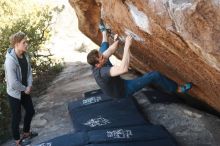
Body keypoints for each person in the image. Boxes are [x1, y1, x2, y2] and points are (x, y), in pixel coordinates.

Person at [87, 20, 192, 99]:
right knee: (154, 75)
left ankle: (104, 32)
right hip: (123, 91)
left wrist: (116, 41)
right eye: (101, 57)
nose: (103, 56)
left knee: (104, 49)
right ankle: (176, 89)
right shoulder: (103, 72)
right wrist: (127, 46)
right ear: (97, 65)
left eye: (101, 55)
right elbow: (124, 69)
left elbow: (110, 50)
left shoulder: (99, 61)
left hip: (116, 82)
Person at [4, 32, 38, 146]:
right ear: (17, 44)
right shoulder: (10, 61)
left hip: (25, 89)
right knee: (16, 117)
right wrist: (25, 89)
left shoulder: (25, 56)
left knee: (30, 111)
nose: (26, 44)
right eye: (24, 42)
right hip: (15, 93)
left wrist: (29, 85)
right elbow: (13, 83)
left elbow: (29, 73)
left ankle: (26, 132)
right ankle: (17, 141)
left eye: (26, 42)